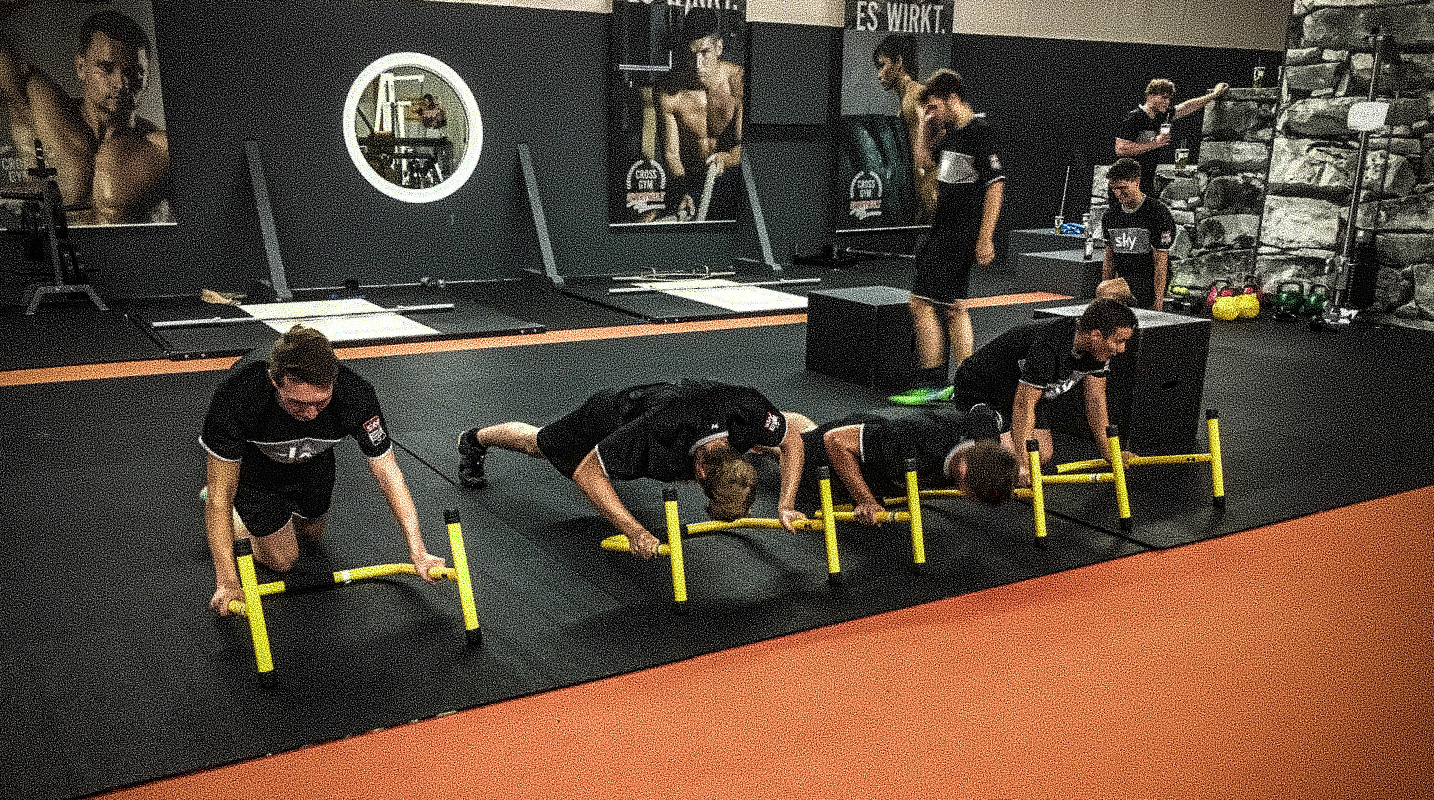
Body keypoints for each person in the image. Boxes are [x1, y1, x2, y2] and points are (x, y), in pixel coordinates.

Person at [200, 326, 447, 616]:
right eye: (297, 402)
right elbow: (220, 493)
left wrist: (418, 550)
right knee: (284, 560)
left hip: (314, 464)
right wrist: (227, 581)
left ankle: (271, 522)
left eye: (321, 402)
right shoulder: (238, 396)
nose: (311, 413)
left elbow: (388, 473)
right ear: (274, 382)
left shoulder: (356, 394)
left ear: (334, 381)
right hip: (257, 474)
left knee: (311, 536)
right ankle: (239, 519)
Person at [458, 380, 808, 559]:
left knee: (785, 428)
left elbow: (791, 438)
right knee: (538, 444)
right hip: (613, 416)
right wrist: (635, 531)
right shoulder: (657, 430)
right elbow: (587, 473)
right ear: (700, 472)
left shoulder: (750, 416)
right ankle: (476, 438)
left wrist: (786, 502)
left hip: (685, 421)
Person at [888, 68, 1006, 406]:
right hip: (942, 228)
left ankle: (933, 382)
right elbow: (924, 163)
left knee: (922, 302)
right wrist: (924, 128)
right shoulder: (950, 133)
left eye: (934, 107)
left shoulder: (980, 132)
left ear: (952, 98)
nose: (931, 113)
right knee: (954, 307)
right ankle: (965, 384)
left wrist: (985, 239)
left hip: (961, 233)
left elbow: (995, 187)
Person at [938, 298, 1140, 485]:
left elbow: (1095, 400)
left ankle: (989, 438)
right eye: (1119, 341)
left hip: (1018, 388)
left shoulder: (1098, 349)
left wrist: (1109, 452)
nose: (1121, 349)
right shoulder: (1048, 348)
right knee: (1011, 461)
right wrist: (1021, 466)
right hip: (982, 386)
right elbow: (1023, 405)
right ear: (1096, 335)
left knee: (1042, 454)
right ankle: (966, 443)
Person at [0, 7, 171, 224]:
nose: (120, 84)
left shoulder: (160, 149)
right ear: (81, 67)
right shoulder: (41, 111)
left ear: (147, 79)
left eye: (133, 72)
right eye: (106, 68)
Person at [794, 404, 1020, 525]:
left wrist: (1016, 470)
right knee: (784, 447)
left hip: (878, 449)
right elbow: (835, 440)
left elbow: (982, 410)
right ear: (963, 470)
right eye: (972, 495)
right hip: (830, 455)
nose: (969, 499)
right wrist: (865, 501)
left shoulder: (984, 439)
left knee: (809, 429)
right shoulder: (918, 442)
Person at [655, 9, 743, 221]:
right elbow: (672, 154)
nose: (697, 64)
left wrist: (728, 158)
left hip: (731, 179)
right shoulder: (669, 91)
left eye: (704, 53)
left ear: (718, 47)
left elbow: (745, 145)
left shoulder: (738, 82)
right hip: (689, 181)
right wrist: (683, 191)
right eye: (691, 54)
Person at [1114, 77, 1228, 195]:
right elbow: (1121, 149)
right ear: (1150, 96)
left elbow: (1187, 106)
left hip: (1146, 181)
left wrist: (1213, 95)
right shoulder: (1134, 117)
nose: (1167, 102)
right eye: (1163, 97)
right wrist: (1154, 144)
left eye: (1169, 98)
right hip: (1126, 183)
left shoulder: (1161, 115)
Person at [872, 34, 936, 223]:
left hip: (928, 192)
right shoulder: (906, 101)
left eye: (882, 65)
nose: (879, 74)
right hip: (916, 192)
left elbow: (940, 135)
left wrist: (929, 187)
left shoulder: (916, 95)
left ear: (898, 62)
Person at [1102, 157, 1176, 311]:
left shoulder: (1157, 212)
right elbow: (1109, 259)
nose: (1117, 193)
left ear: (1136, 182)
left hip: (1147, 279)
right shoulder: (1110, 216)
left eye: (1122, 187)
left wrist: (1158, 303)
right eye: (1114, 188)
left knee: (1105, 291)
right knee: (1105, 292)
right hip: (1125, 278)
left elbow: (1160, 262)